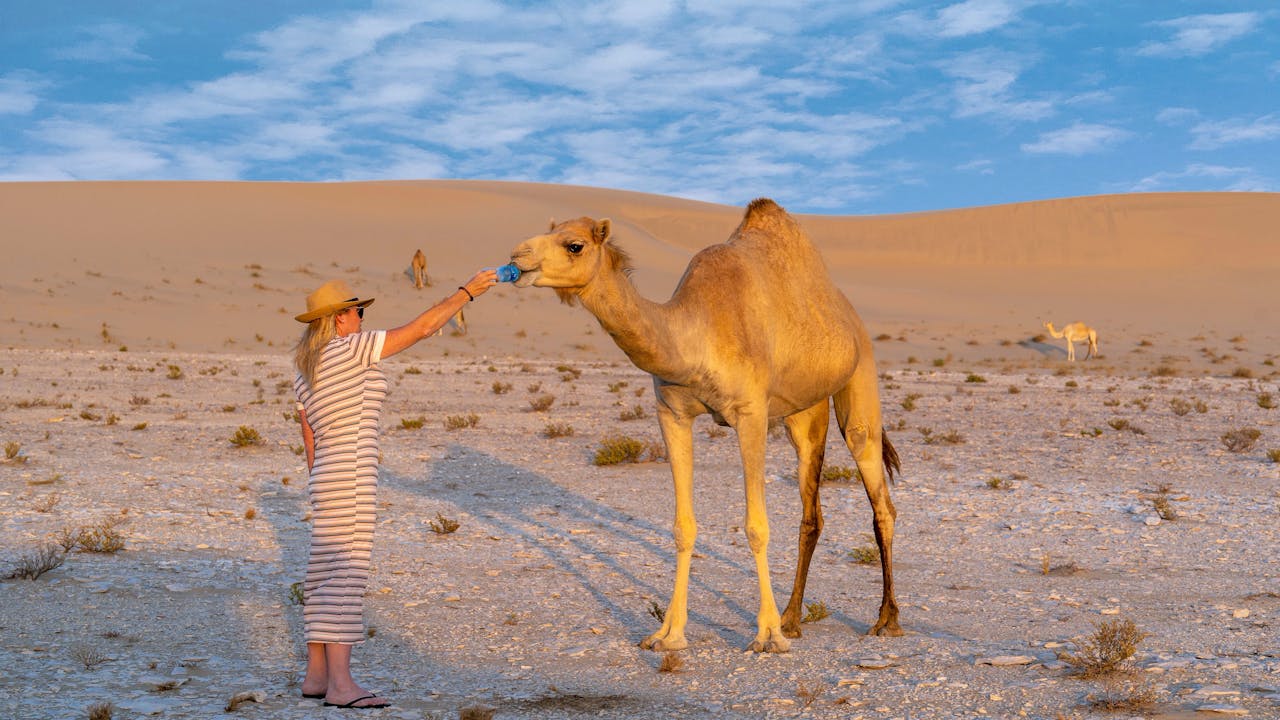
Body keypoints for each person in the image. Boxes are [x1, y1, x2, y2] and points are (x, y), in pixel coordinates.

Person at [291, 272, 496, 708]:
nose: (363, 318)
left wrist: (319, 480)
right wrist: (467, 293)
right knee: (346, 575)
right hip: (350, 473)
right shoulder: (350, 348)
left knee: (322, 572)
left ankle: (316, 677)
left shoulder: (306, 367)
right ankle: (342, 687)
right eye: (358, 311)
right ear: (338, 318)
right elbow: (420, 329)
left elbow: (309, 435)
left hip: (326, 474)